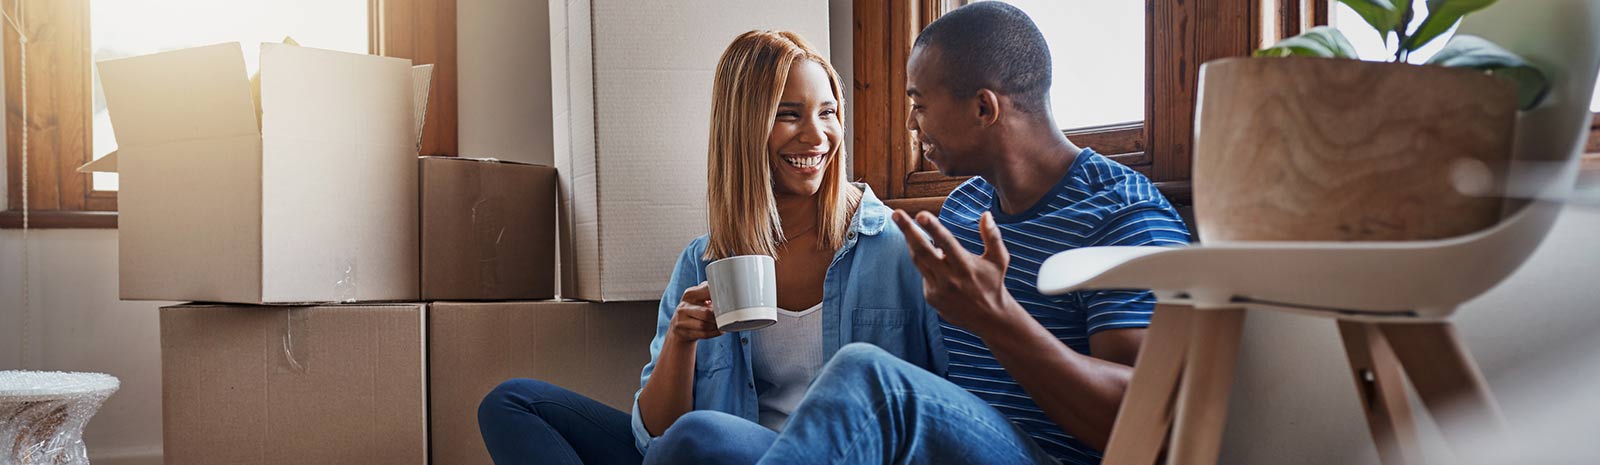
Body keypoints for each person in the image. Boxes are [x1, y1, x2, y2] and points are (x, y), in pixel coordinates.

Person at [475, 30, 945, 465]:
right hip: (718, 452)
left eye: (827, 112)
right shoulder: (704, 261)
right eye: (789, 114)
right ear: (743, 127)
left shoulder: (897, 248)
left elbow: (951, 407)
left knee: (700, 436)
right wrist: (680, 342)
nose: (816, 134)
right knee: (513, 403)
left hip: (826, 454)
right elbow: (654, 435)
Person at [748, 3, 1192, 464]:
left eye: (919, 104)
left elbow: (1149, 423)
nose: (911, 124)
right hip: (945, 446)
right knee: (704, 434)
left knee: (866, 375)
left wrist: (995, 316)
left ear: (983, 107)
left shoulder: (1122, 214)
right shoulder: (964, 209)